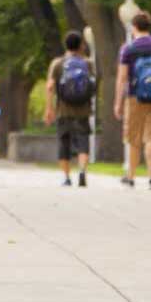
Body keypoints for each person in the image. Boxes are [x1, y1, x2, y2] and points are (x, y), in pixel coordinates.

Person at [45, 31, 95, 187]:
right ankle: (82, 171)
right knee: (83, 141)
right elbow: (92, 86)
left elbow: (50, 87)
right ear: (81, 45)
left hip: (63, 110)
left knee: (63, 142)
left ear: (65, 45)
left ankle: (66, 178)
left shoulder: (58, 63)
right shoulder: (88, 63)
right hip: (83, 110)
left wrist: (49, 108)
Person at [116, 10, 151, 189]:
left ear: (134, 27)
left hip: (134, 96)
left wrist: (118, 102)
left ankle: (131, 177)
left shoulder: (128, 48)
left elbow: (122, 77)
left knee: (134, 137)